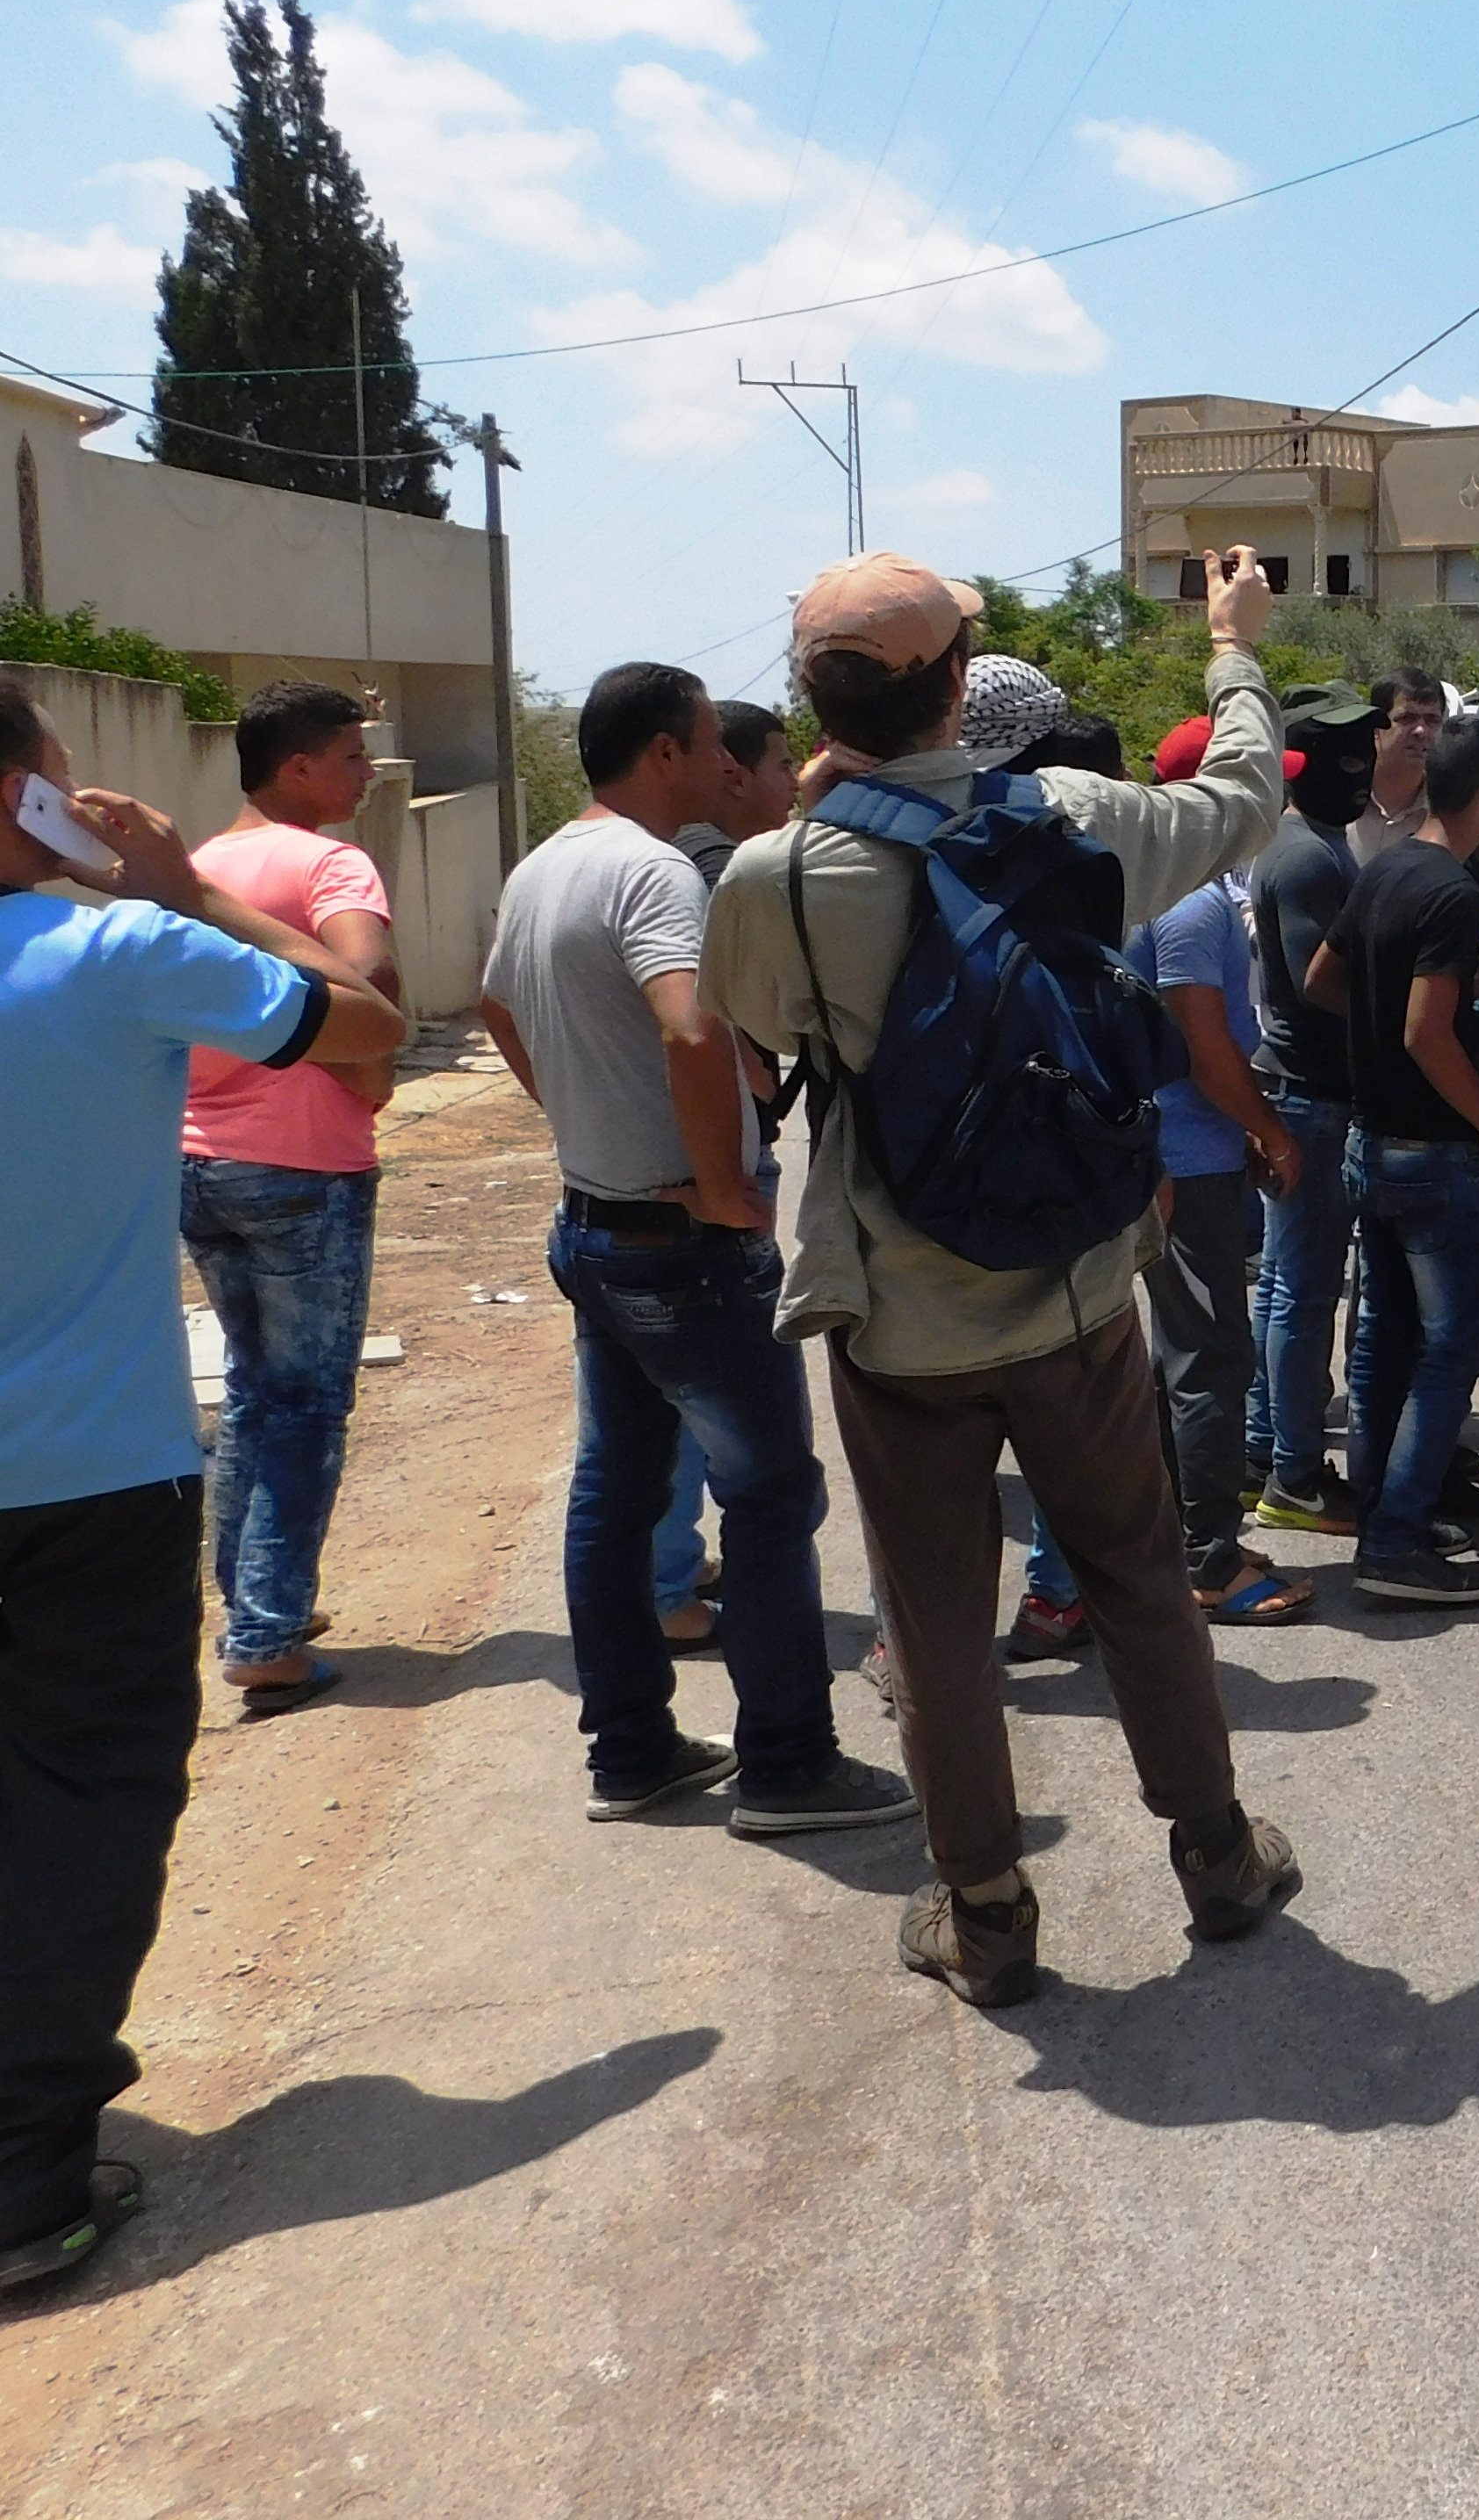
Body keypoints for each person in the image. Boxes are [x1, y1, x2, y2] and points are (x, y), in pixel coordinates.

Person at [704, 548, 1302, 2009]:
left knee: (933, 1625)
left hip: (901, 1319)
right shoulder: (1077, 820)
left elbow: (763, 1034)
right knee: (1140, 1581)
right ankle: (1216, 1859)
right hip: (1080, 1290)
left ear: (813, 698)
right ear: (961, 685)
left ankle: (985, 1913)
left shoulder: (774, 878)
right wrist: (1229, 648)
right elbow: (1243, 799)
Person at [1, 673, 404, 2293]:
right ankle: (27, 2174)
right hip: (86, 1475)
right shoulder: (124, 951)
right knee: (86, 1799)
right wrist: (176, 888)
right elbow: (371, 1031)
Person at [481, 665, 912, 1840]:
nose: (728, 767)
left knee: (613, 1500)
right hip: (679, 1247)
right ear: (664, 752)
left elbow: (499, 1010)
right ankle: (787, 1763)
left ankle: (632, 1752)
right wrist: (725, 1187)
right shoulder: (653, 872)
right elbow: (689, 1020)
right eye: (712, 744)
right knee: (771, 1495)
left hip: (594, 1225)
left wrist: (583, 1122)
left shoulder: (545, 867)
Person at [178, 680, 404, 1712]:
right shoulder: (330, 862)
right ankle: (266, 1635)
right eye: (351, 756)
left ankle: (256, 1599)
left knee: (254, 1392)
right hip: (304, 1162)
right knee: (307, 1402)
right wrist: (370, 1077)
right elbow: (364, 985)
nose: (365, 773)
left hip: (201, 1159)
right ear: (298, 768)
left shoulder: (188, 873)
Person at [1307, 716, 1479, 1607]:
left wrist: (1386, 1033)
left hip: (1372, 1143)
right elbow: (1424, 1031)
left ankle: (1385, 1511)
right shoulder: (1447, 892)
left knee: (1383, 1339)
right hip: (1433, 1156)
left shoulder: (1384, 872)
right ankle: (1396, 1540)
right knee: (1448, 1353)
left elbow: (1325, 977)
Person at [1129, 716, 1310, 1631]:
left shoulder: (1159, 888)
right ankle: (1209, 1561)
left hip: (1171, 1153)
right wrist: (1270, 1131)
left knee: (1181, 1359)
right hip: (1188, 1159)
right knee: (1209, 1361)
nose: (1270, 800)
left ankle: (1190, 1541)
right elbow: (1205, 1043)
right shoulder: (1192, 904)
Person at [653, 698, 800, 1646]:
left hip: (674, 1164)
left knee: (662, 1397)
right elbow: (701, 1020)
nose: (792, 783)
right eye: (783, 764)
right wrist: (752, 1072)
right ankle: (673, 1582)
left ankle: (668, 1566)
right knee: (713, 1400)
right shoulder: (712, 868)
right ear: (734, 771)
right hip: (705, 1170)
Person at [1244, 687, 1389, 1536]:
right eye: (1344, 757)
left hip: (1306, 1096)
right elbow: (1321, 985)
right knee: (1301, 1294)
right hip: (1311, 1100)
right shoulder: (1307, 856)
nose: (1362, 770)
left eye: (1364, 752)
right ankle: (1295, 1475)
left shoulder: (1321, 843)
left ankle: (1269, 1452)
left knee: (1282, 1290)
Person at [1349, 669, 1446, 867]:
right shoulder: (1342, 799)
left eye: (1432, 721)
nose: (1421, 730)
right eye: (1407, 718)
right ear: (1376, 727)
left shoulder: (1446, 812)